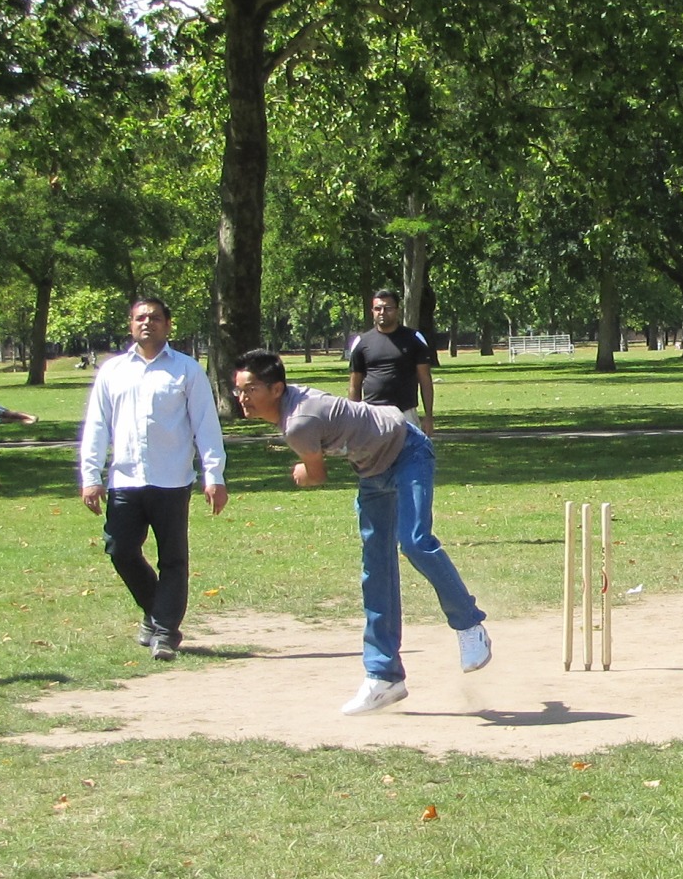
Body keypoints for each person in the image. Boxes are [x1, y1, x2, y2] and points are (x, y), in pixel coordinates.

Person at [232, 347, 491, 714]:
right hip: (371, 470)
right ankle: (384, 676)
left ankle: (470, 626)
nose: (242, 399)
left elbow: (316, 475)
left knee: (415, 542)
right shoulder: (292, 406)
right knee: (376, 570)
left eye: (250, 390)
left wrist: (303, 474)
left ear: (276, 389)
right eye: (239, 390)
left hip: (407, 451)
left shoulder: (298, 424)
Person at [78, 297, 227, 660]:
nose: (148, 323)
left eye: (155, 318)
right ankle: (157, 613)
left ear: (168, 324)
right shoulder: (113, 371)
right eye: (140, 318)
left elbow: (206, 425)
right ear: (131, 325)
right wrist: (90, 474)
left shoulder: (186, 370)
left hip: (172, 479)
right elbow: (97, 425)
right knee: (120, 550)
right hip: (125, 480)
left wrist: (214, 475)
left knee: (173, 559)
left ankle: (163, 632)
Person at [348, 290, 437, 435]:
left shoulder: (414, 338)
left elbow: (425, 379)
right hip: (372, 414)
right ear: (372, 311)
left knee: (407, 456)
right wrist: (353, 418)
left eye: (388, 308)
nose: (382, 312)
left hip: (405, 413)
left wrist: (428, 417)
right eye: (378, 308)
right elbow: (354, 384)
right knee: (374, 457)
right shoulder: (362, 342)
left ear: (397, 310)